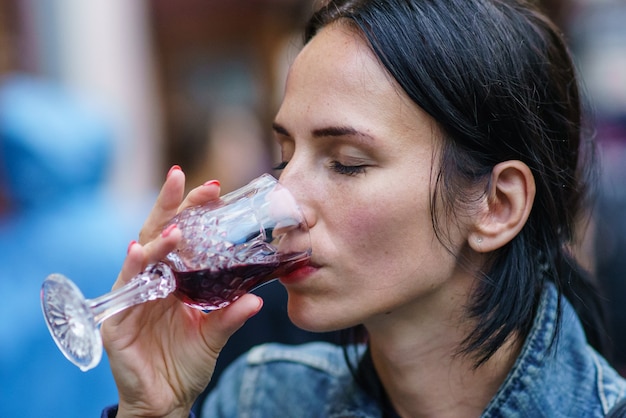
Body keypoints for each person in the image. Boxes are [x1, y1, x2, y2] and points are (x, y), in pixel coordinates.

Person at [100, 0, 626, 416]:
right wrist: (153, 409)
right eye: (285, 155)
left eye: (347, 162)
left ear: (497, 205)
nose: (285, 199)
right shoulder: (263, 400)